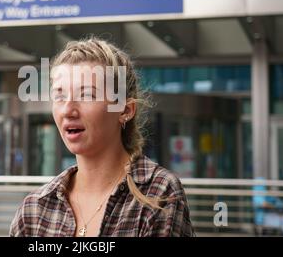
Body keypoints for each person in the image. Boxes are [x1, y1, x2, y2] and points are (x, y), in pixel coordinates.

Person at [10, 37, 194, 237]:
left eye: (86, 95)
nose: (67, 110)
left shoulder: (158, 194)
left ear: (125, 109)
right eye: (60, 96)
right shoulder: (34, 210)